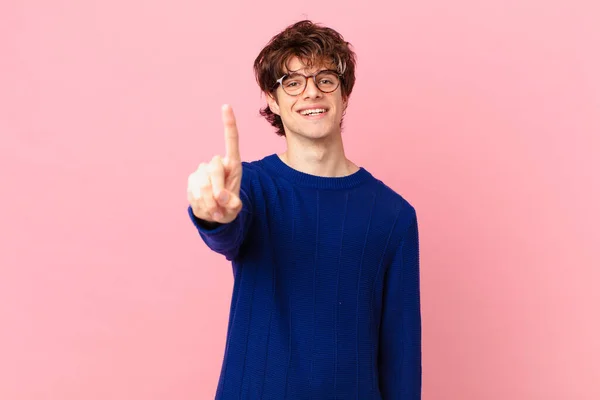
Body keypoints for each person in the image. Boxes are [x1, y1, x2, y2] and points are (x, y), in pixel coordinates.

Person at [187, 20, 421, 399]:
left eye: (325, 79)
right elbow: (227, 232)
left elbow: (401, 353)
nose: (311, 92)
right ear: (273, 100)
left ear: (344, 93)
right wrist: (214, 216)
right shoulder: (251, 188)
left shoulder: (394, 215)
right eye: (292, 82)